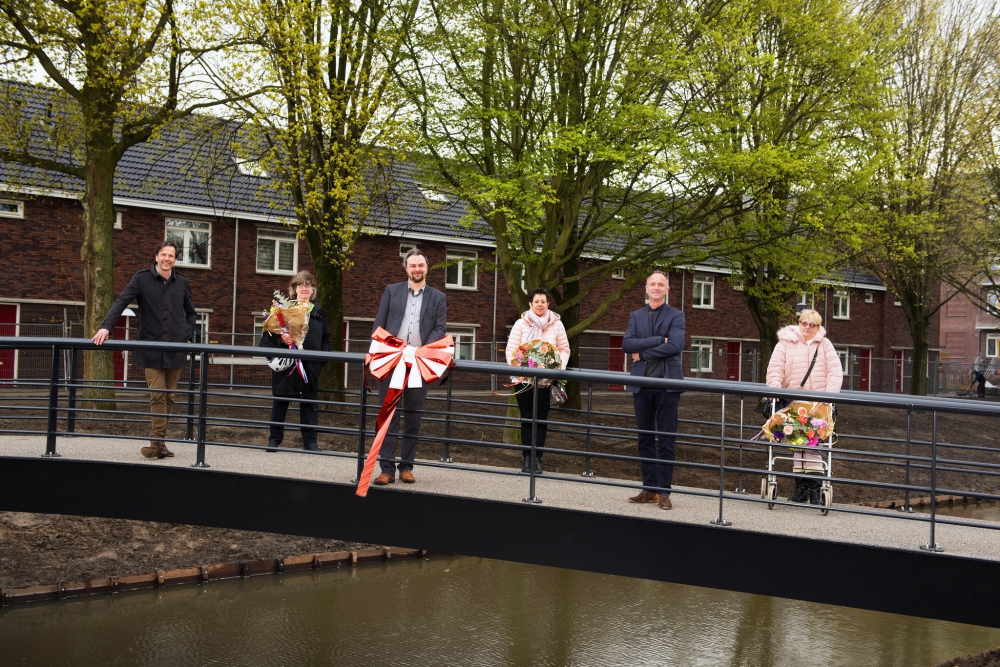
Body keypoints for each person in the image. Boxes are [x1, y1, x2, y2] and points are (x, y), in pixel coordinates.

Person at [93, 240, 197, 459]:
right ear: (156, 256)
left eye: (171, 255)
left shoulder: (182, 282)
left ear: (175, 259)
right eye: (163, 254)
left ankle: (160, 444)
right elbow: (121, 301)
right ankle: (157, 442)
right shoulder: (141, 279)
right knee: (158, 395)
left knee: (169, 397)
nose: (167, 258)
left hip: (176, 349)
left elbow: (191, 313)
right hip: (150, 349)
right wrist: (106, 327)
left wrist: (185, 332)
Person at [371, 248, 447, 485]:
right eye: (412, 265)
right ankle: (386, 469)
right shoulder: (391, 291)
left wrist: (419, 350)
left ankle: (406, 467)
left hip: (419, 364)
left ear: (427, 268)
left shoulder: (438, 297)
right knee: (388, 417)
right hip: (392, 361)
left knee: (413, 418)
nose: (417, 269)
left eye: (421, 265)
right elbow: (379, 324)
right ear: (406, 268)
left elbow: (439, 328)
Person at [622, 271, 685, 510]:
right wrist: (660, 340)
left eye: (661, 284)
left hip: (668, 386)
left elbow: (676, 346)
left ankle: (664, 492)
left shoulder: (677, 316)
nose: (657, 287)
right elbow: (627, 344)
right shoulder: (635, 316)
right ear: (646, 288)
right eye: (652, 284)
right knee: (645, 438)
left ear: (667, 290)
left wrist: (643, 354)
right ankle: (649, 490)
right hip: (643, 385)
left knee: (666, 439)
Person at [766, 309, 843, 504]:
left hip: (818, 405)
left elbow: (835, 371)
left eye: (813, 324)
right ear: (799, 323)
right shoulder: (784, 344)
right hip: (794, 402)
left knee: (813, 444)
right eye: (804, 323)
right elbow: (775, 369)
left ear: (818, 327)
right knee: (797, 443)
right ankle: (801, 488)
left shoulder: (825, 345)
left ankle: (815, 488)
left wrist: (828, 397)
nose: (808, 327)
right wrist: (775, 391)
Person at [259, 271, 332, 452]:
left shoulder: (319, 313)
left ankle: (310, 442)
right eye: (301, 285)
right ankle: (274, 439)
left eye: (309, 285)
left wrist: (319, 363)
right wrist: (281, 340)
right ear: (294, 289)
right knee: (281, 401)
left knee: (309, 403)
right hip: (287, 365)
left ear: (313, 290)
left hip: (310, 367)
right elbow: (267, 337)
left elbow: (326, 340)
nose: (305, 288)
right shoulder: (282, 310)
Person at [505, 288, 571, 473]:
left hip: (546, 381)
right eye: (536, 301)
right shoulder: (520, 324)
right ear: (530, 304)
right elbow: (511, 351)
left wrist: (557, 368)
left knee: (541, 420)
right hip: (523, 380)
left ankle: (538, 459)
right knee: (527, 419)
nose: (540, 304)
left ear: (548, 304)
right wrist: (521, 369)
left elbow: (564, 349)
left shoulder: (557, 325)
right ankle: (527, 459)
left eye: (543, 301)